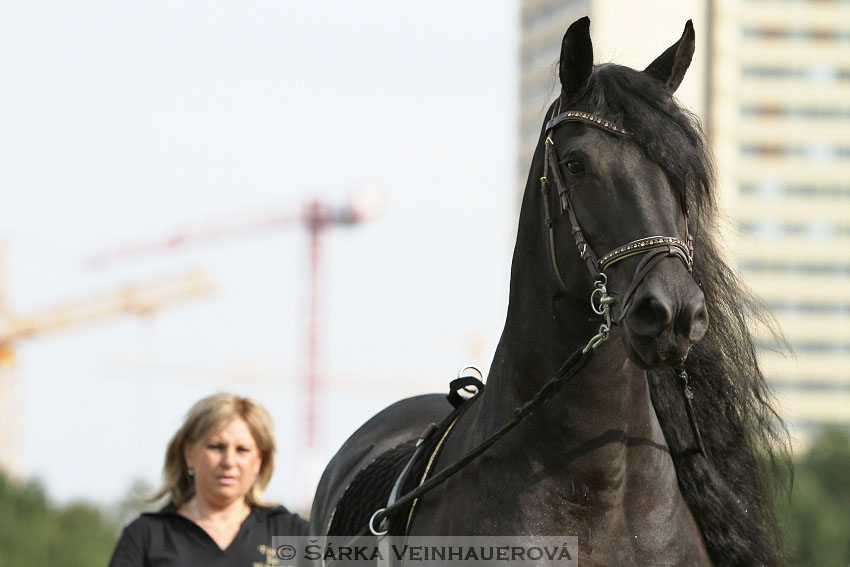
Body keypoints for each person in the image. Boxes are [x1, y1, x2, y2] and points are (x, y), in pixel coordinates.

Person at [109, 392, 308, 566]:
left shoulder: (292, 532)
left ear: (259, 461)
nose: (229, 461)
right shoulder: (145, 536)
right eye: (216, 447)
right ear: (189, 454)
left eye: (242, 450)